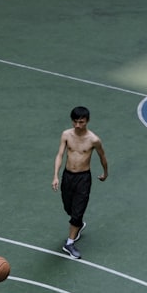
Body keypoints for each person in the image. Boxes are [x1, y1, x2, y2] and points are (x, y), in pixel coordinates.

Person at [52, 106, 108, 259]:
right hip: (68, 176)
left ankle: (69, 243)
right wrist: (56, 176)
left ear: (87, 121)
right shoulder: (66, 135)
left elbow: (102, 156)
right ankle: (78, 224)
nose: (77, 125)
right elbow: (60, 155)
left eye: (81, 122)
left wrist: (105, 172)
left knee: (77, 211)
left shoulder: (93, 140)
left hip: (83, 178)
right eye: (75, 122)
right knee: (68, 208)